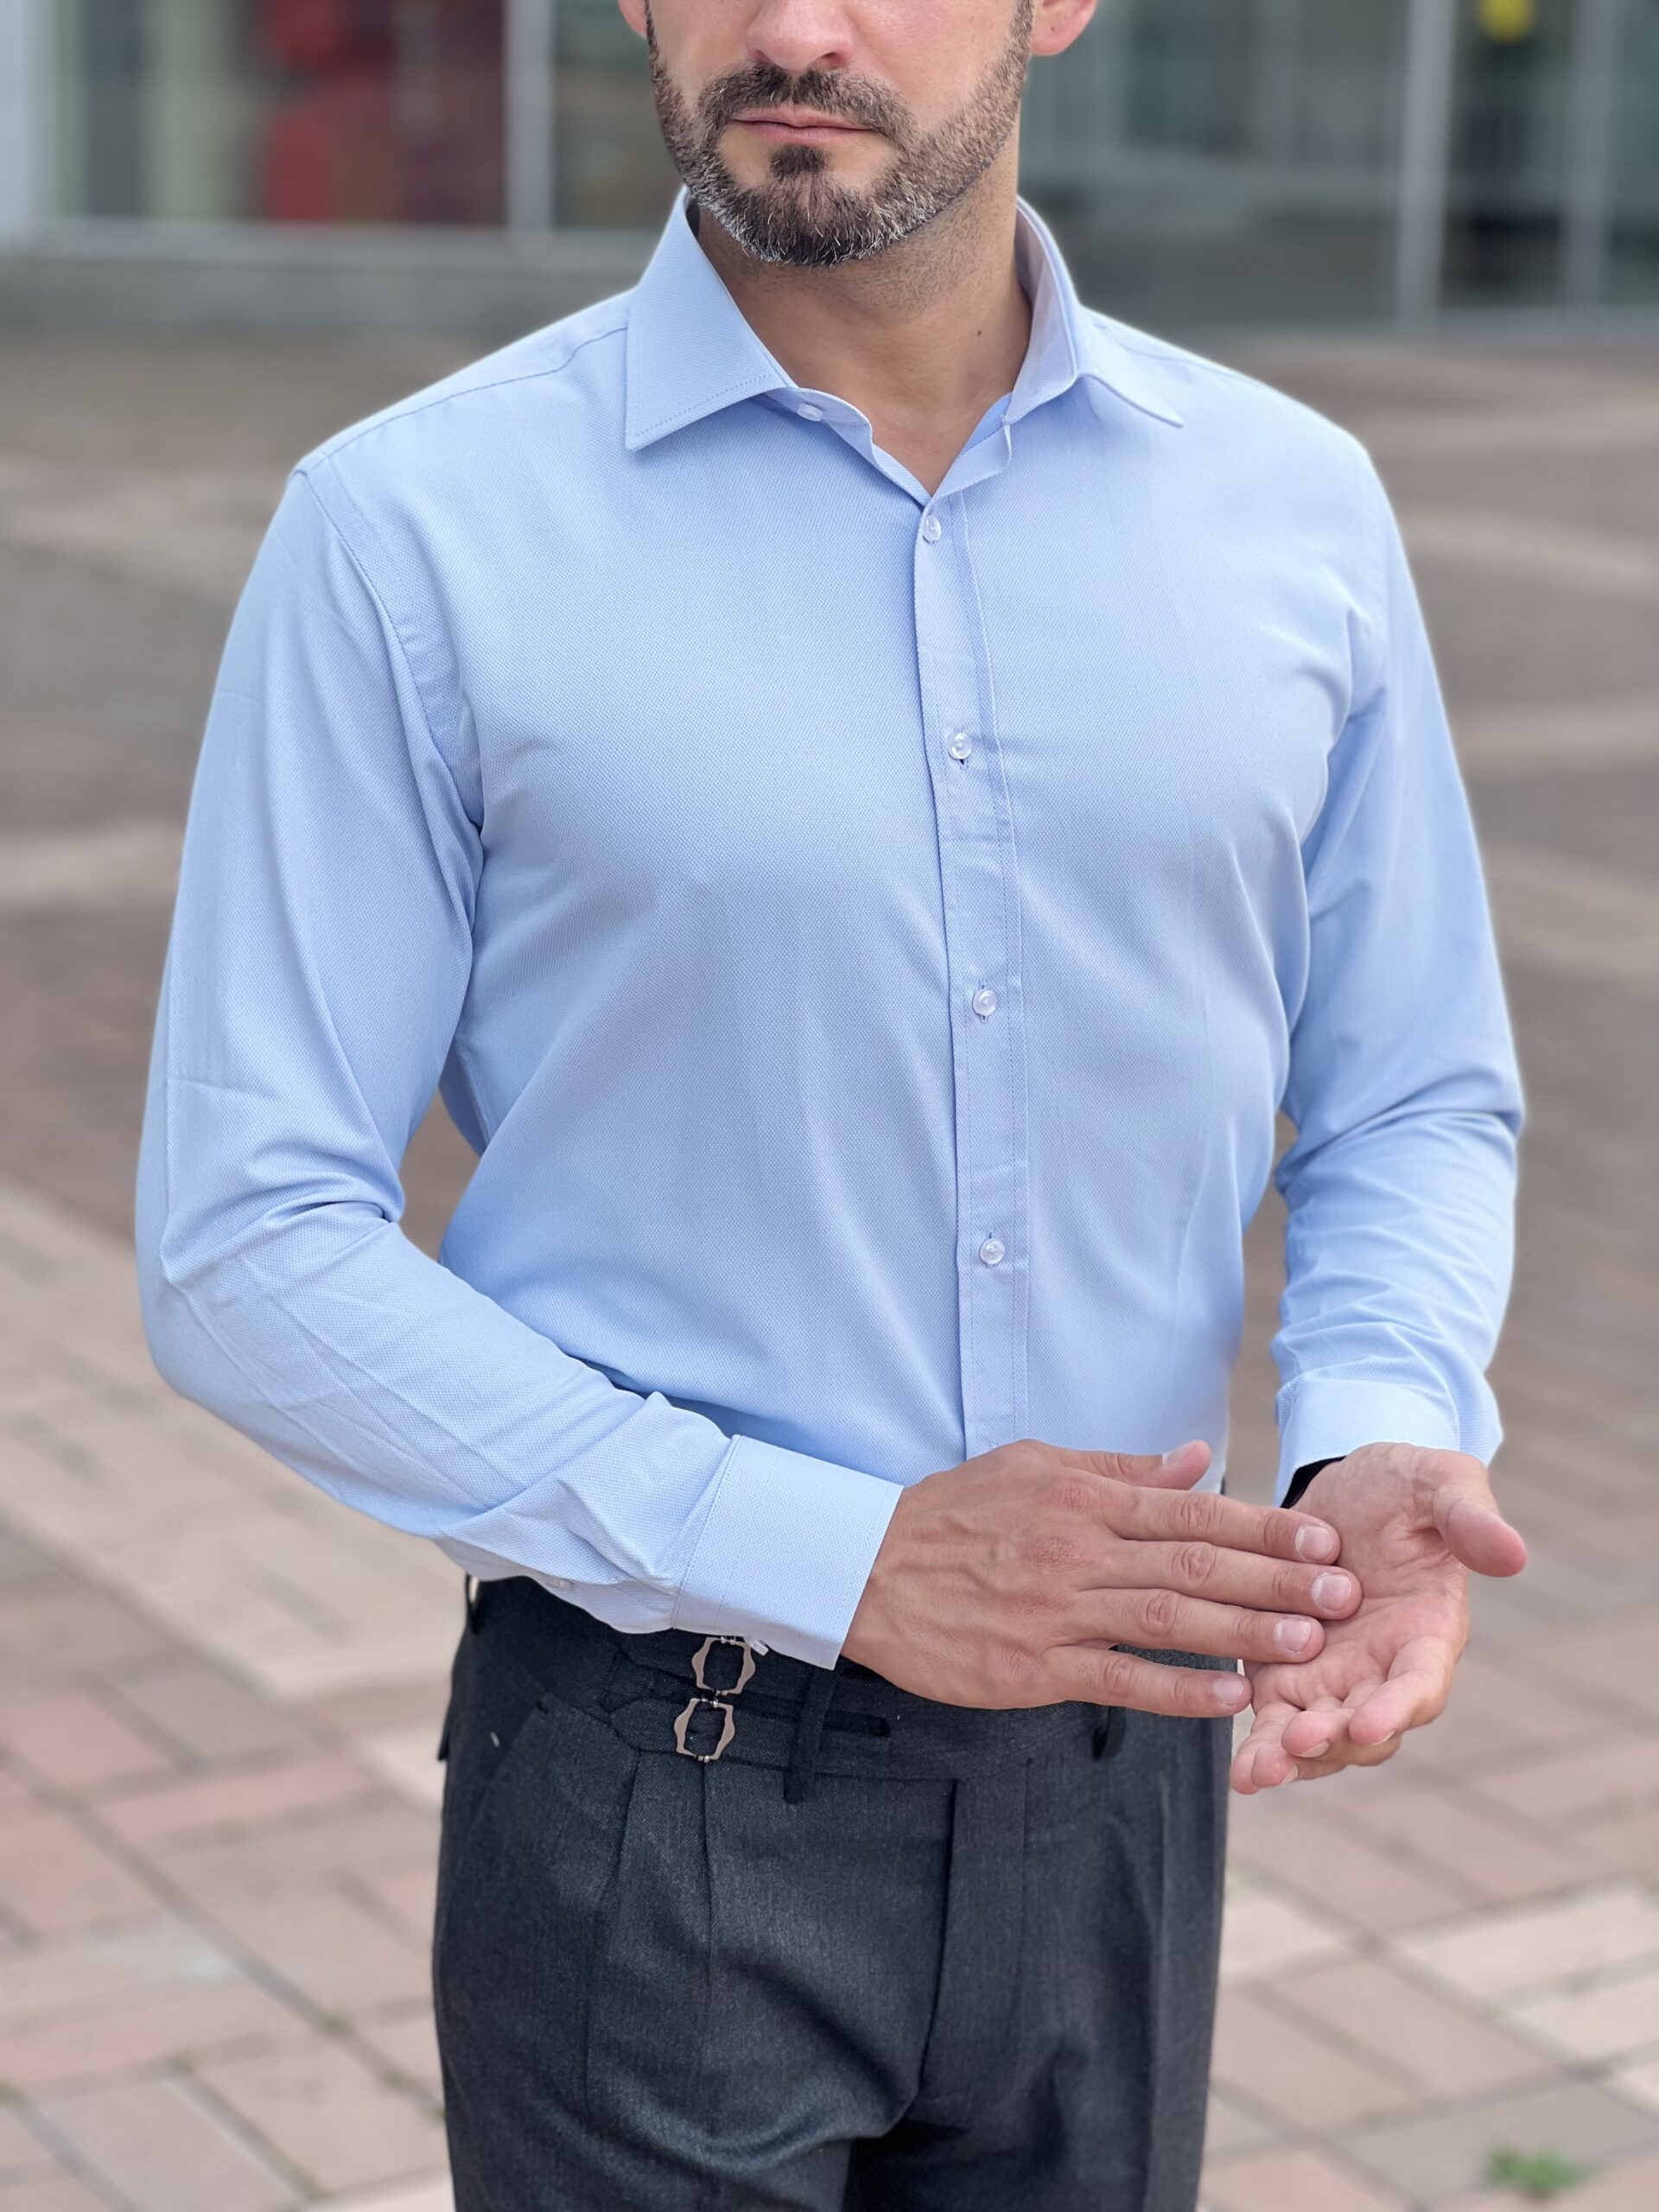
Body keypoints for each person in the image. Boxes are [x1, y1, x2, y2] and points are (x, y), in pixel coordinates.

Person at [133, 3, 1529, 2206]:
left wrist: (1378, 1417)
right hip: (653, 1771)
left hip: (1131, 1766)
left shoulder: (1296, 510)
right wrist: (842, 1553)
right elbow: (245, 1238)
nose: (792, 24)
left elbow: (1413, 1086)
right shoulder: (412, 530)